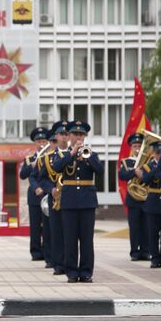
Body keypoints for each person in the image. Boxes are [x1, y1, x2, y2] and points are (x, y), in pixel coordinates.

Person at [52, 120, 104, 283]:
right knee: (70, 239)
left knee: (87, 240)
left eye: (81, 134)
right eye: (75, 134)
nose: (78, 137)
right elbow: (56, 167)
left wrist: (87, 158)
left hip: (87, 202)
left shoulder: (91, 154)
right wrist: (72, 153)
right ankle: (72, 272)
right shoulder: (63, 155)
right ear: (70, 136)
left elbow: (100, 171)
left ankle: (86, 272)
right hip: (69, 201)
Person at [40, 121, 69, 275]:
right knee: (56, 232)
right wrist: (50, 189)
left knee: (70, 233)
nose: (64, 137)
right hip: (55, 199)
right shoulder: (48, 157)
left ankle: (70, 263)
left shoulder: (77, 153)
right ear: (56, 136)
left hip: (72, 198)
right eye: (61, 134)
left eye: (66, 134)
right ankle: (58, 265)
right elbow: (42, 178)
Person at [19, 126, 51, 264]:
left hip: (48, 194)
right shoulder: (29, 159)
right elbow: (23, 175)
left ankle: (48, 251)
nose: (42, 144)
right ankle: (36, 252)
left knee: (48, 225)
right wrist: (32, 165)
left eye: (44, 141)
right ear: (35, 143)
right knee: (35, 225)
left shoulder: (51, 157)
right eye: (39, 141)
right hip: (34, 196)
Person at [118, 133, 150, 261]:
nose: (137, 148)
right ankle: (135, 252)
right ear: (131, 147)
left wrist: (143, 174)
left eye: (139, 146)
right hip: (132, 198)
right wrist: (134, 172)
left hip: (145, 197)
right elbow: (122, 175)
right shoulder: (126, 162)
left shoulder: (147, 161)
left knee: (146, 226)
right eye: (135, 146)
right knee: (134, 227)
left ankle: (145, 251)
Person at [140, 141, 161, 268]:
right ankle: (154, 258)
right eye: (157, 153)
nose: (159, 156)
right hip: (153, 200)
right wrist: (157, 168)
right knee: (153, 232)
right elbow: (146, 180)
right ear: (153, 153)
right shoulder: (148, 166)